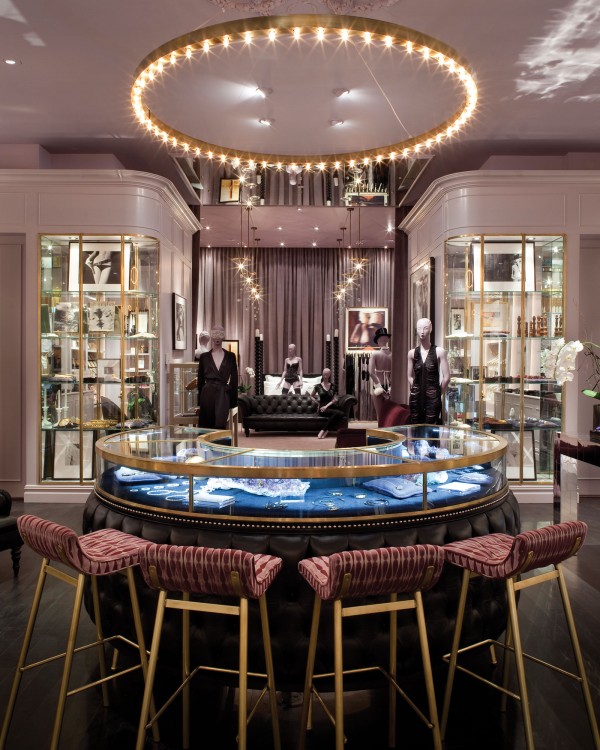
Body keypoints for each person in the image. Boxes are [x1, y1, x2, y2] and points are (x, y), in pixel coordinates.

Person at [407, 318, 450, 424]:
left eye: (425, 328)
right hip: (416, 398)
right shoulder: (412, 353)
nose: (422, 332)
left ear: (430, 329)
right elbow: (409, 376)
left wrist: (438, 393)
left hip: (433, 398)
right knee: (416, 427)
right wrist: (416, 388)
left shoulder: (439, 352)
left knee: (431, 428)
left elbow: (447, 377)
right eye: (419, 328)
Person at [197, 325, 238, 429]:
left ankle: (220, 440)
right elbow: (200, 380)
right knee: (206, 426)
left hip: (222, 395)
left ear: (224, 336)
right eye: (215, 334)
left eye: (220, 334)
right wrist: (199, 402)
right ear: (211, 335)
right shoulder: (204, 357)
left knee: (220, 425)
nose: (217, 337)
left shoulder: (231, 356)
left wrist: (232, 400)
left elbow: (234, 380)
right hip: (207, 395)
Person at [309, 368, 345, 439]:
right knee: (339, 413)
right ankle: (326, 430)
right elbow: (311, 396)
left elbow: (334, 399)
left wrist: (326, 406)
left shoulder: (333, 386)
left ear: (329, 375)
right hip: (322, 408)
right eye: (324, 373)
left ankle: (324, 430)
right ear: (322, 374)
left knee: (341, 413)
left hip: (330, 407)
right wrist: (318, 403)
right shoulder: (318, 386)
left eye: (327, 373)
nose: (325, 375)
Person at [369, 327, 393, 423]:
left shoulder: (375, 354)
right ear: (387, 340)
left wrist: (379, 386)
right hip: (390, 387)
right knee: (389, 414)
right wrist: (390, 387)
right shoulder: (393, 354)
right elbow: (395, 373)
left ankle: (381, 431)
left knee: (380, 415)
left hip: (378, 386)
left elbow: (371, 372)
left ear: (378, 341)